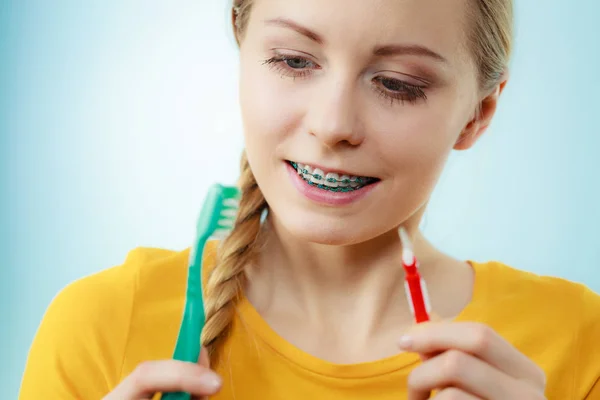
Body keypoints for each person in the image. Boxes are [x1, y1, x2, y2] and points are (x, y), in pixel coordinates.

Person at [19, 0, 600, 399]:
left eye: (398, 83)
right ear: (243, 52)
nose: (333, 124)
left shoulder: (578, 340)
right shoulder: (101, 327)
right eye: (294, 62)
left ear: (477, 115)